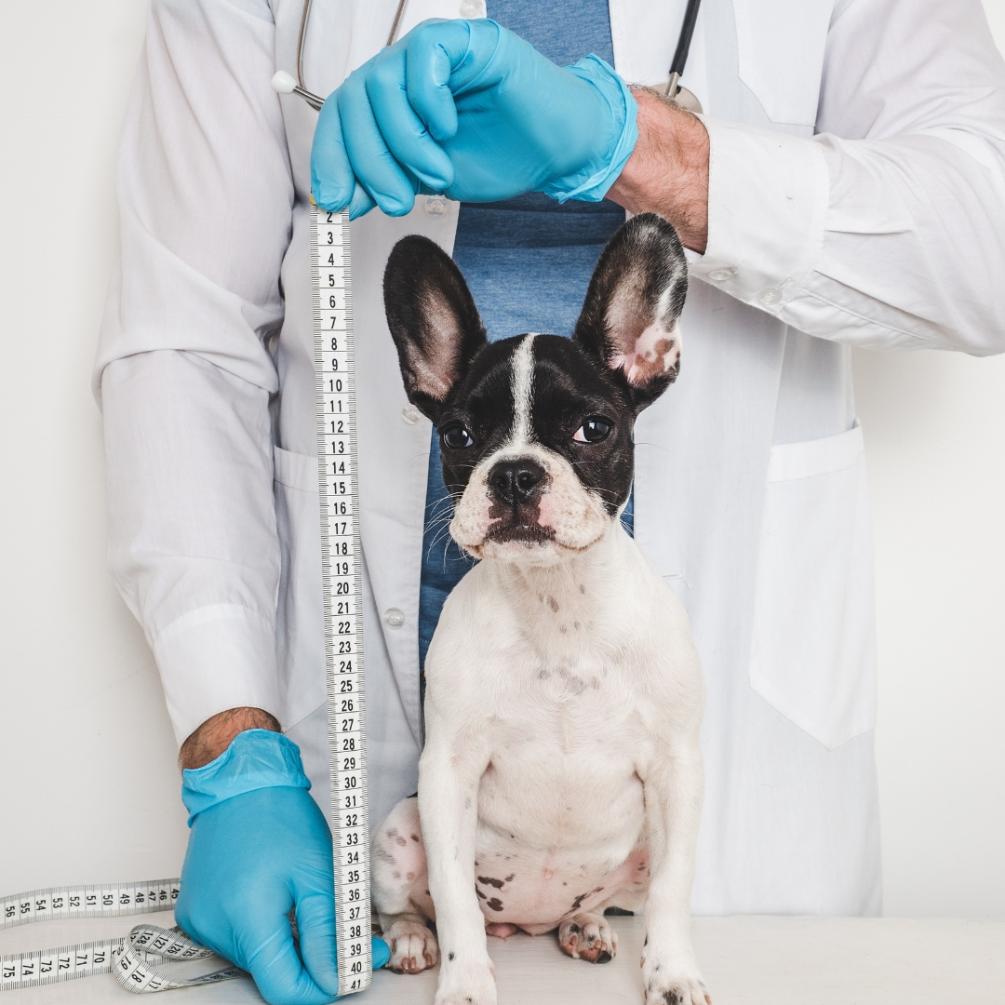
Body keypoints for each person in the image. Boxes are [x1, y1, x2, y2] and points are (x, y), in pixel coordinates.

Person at [91, 0, 1005, 1002]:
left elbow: (986, 237)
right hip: (393, 796)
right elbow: (183, 339)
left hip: (735, 821)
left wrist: (649, 151)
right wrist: (231, 750)